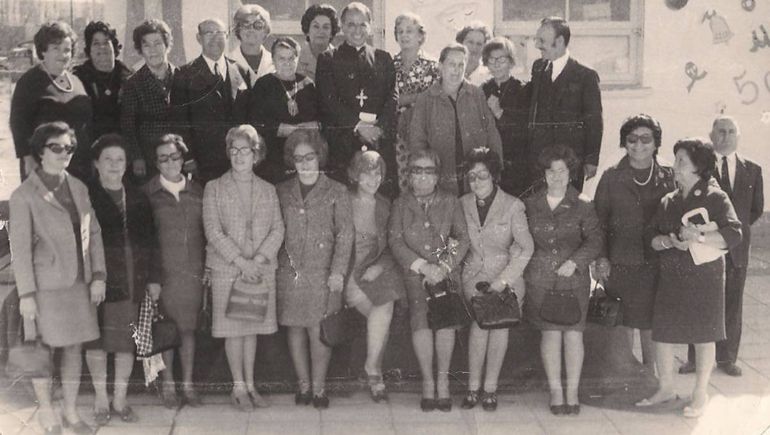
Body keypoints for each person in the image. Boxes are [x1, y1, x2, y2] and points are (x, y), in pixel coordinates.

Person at [9, 122, 103, 434]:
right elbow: (19, 250)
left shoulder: (78, 186)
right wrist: (25, 295)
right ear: (40, 150)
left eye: (69, 148)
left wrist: (99, 275)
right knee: (43, 352)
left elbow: (95, 234)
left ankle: (71, 413)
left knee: (75, 348)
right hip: (45, 287)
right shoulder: (23, 195)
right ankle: (47, 413)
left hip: (79, 283)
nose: (64, 153)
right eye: (56, 147)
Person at [637, 138, 742, 418]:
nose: (675, 166)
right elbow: (650, 234)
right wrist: (663, 241)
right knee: (663, 332)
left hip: (704, 276)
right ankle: (666, 388)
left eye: (681, 161)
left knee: (703, 334)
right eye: (676, 160)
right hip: (671, 275)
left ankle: (700, 393)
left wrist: (700, 236)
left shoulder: (715, 197)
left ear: (699, 166)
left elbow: (734, 233)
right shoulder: (669, 200)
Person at [202, 125, 285, 411]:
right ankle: (237, 386)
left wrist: (258, 261)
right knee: (233, 330)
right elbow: (213, 231)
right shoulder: (214, 187)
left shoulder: (268, 189)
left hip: (259, 270)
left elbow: (278, 229)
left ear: (256, 154)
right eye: (234, 150)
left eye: (245, 151)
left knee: (251, 329)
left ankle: (250, 384)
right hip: (229, 269)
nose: (239, 156)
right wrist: (241, 262)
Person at [679, 116, 764, 377]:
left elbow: (755, 210)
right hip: (705, 246)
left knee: (733, 303)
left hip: (737, 249)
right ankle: (694, 359)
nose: (725, 137)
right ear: (711, 136)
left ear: (738, 136)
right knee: (700, 302)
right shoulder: (701, 169)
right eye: (720, 132)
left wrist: (731, 235)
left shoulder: (753, 169)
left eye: (730, 132)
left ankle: (727, 359)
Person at [84, 133, 160, 425]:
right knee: (98, 339)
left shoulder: (138, 196)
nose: (114, 165)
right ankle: (101, 398)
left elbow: (152, 240)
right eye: (108, 160)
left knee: (126, 340)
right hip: (99, 276)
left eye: (120, 160)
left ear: (127, 164)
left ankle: (119, 398)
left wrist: (154, 278)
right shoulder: (87, 195)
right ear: (96, 164)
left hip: (133, 276)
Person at [276, 129, 353, 409]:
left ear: (319, 157)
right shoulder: (282, 191)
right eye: (298, 159)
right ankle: (304, 385)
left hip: (323, 273)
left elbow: (345, 235)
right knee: (295, 328)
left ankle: (319, 389)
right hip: (290, 272)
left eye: (310, 157)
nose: (305, 164)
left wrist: (338, 273)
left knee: (318, 330)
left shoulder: (337, 190)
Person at [523, 144, 602, 416]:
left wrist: (575, 263)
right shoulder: (530, 204)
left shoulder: (583, 204)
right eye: (550, 171)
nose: (556, 176)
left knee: (573, 335)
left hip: (574, 279)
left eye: (562, 171)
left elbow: (595, 241)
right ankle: (556, 390)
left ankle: (572, 391)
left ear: (571, 174)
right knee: (551, 334)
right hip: (540, 280)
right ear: (543, 175)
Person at [389, 148, 470, 412]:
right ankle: (427, 382)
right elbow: (395, 241)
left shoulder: (450, 201)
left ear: (437, 176)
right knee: (420, 320)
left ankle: (443, 382)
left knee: (445, 323)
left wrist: (443, 267)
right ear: (409, 176)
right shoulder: (400, 204)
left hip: (446, 274)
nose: (423, 177)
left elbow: (461, 238)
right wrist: (423, 267)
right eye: (417, 171)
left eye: (429, 171)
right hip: (416, 274)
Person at [594, 114, 676, 371]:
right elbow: (599, 222)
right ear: (624, 142)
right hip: (621, 261)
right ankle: (627, 374)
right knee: (625, 319)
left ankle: (651, 373)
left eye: (645, 139)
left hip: (658, 261)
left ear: (655, 143)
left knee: (653, 320)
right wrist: (602, 257)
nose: (638, 145)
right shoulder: (611, 177)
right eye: (631, 140)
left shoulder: (668, 176)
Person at [459, 147, 533, 411]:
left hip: (506, 279)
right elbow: (456, 242)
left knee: (498, 326)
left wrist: (502, 282)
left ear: (494, 176)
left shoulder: (513, 205)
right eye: (472, 177)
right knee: (480, 324)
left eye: (483, 175)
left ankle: (490, 389)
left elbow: (527, 248)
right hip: (473, 278)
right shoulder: (463, 203)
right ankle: (472, 388)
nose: (477, 181)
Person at [143, 134, 205, 408]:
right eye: (163, 158)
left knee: (188, 330)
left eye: (175, 157)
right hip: (164, 275)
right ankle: (168, 385)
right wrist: (152, 278)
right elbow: (144, 240)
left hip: (192, 272)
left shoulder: (198, 192)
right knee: (167, 330)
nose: (170, 162)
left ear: (183, 159)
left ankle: (188, 384)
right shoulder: (148, 194)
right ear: (156, 163)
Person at [316, 2, 398, 195]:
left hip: (378, 140)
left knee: (381, 199)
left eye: (362, 24)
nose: (357, 30)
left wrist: (378, 129)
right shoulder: (328, 58)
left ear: (370, 26)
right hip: (343, 143)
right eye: (351, 24)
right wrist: (359, 126)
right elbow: (328, 100)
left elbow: (392, 97)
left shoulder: (383, 58)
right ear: (342, 27)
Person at [345, 150, 406, 403]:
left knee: (385, 308)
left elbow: (392, 244)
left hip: (375, 270)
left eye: (377, 174)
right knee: (381, 316)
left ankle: (373, 371)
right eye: (367, 174)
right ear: (356, 176)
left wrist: (379, 267)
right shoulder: (344, 200)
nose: (373, 180)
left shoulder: (385, 204)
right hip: (350, 271)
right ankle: (375, 373)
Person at [409, 43, 502, 195]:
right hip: (442, 178)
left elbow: (491, 132)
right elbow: (417, 141)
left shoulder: (476, 94)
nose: (457, 70)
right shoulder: (426, 99)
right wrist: (426, 175)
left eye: (461, 64)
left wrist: (495, 171)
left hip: (475, 178)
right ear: (440, 66)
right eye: (452, 64)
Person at [172, 18, 254, 185]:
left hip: (237, 157)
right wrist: (188, 158)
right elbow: (179, 121)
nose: (215, 38)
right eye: (209, 33)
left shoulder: (241, 70)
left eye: (220, 33)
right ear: (198, 38)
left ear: (227, 37)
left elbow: (248, 116)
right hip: (204, 162)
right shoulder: (185, 73)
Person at [526, 17, 603, 193]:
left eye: (542, 41)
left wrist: (592, 159)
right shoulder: (538, 67)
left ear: (559, 41)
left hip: (571, 160)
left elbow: (594, 120)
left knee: (569, 207)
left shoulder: (586, 75)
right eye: (536, 39)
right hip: (540, 159)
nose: (537, 45)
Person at [10, 21, 93, 181]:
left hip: (78, 163)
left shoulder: (76, 81)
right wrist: (27, 157)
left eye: (67, 50)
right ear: (43, 50)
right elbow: (18, 122)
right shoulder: (30, 81)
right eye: (56, 48)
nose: (63, 55)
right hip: (43, 163)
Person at [247, 37, 319, 184]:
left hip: (304, 156)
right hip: (273, 157)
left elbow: (321, 117)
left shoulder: (307, 84)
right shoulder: (264, 84)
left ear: (298, 59)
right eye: (281, 58)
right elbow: (255, 121)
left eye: (291, 58)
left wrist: (315, 125)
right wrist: (280, 129)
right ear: (273, 59)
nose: (287, 63)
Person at [120, 19, 179, 182]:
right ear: (140, 50)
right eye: (146, 45)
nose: (153, 51)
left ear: (167, 45)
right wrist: (137, 158)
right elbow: (128, 126)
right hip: (149, 158)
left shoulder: (182, 76)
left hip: (178, 155)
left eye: (158, 43)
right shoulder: (133, 84)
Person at [392, 12, 440, 193]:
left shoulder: (433, 65)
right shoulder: (389, 64)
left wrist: (407, 99)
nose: (404, 35)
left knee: (426, 177)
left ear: (420, 35)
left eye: (409, 31)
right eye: (400, 31)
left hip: (425, 131)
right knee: (403, 180)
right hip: (398, 134)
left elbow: (436, 98)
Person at [480, 37, 529, 197]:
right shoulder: (482, 90)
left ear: (511, 62)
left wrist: (499, 112)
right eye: (491, 60)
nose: (496, 64)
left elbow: (524, 130)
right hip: (490, 161)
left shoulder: (523, 90)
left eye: (501, 59)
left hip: (516, 163)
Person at [72, 21, 133, 140]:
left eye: (106, 42)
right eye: (96, 43)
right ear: (89, 50)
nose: (102, 47)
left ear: (114, 46)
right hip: (91, 148)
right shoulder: (78, 78)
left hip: (123, 146)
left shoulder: (129, 77)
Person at [229, 4, 275, 85]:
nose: (251, 29)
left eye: (258, 25)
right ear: (238, 30)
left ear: (266, 31)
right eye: (246, 25)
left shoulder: (275, 62)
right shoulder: (227, 62)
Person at [297, 4, 339, 81]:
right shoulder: (296, 59)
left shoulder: (339, 59)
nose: (321, 31)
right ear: (307, 31)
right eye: (316, 26)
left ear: (331, 33)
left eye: (326, 27)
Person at [455, 21, 492, 86]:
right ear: (461, 43)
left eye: (479, 44)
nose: (474, 48)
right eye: (470, 42)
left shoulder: (489, 78)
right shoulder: (450, 72)